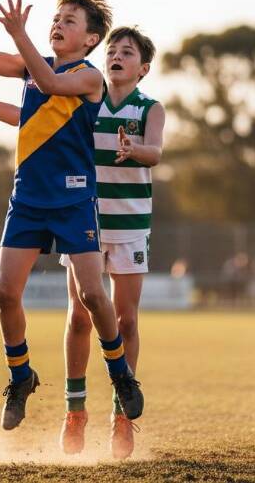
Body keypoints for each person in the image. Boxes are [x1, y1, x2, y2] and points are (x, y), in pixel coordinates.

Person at [0, 0, 144, 433]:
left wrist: (19, 33)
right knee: (5, 292)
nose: (58, 24)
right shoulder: (36, 67)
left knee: (92, 296)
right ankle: (21, 376)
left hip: (73, 202)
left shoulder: (89, 78)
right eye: (57, 17)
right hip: (27, 199)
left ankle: (121, 374)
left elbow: (49, 86)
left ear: (90, 41)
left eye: (70, 20)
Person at [57, 26, 165, 458]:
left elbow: (155, 152)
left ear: (143, 68)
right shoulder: (86, 101)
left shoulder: (149, 108)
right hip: (84, 224)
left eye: (128, 52)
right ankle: (74, 411)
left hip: (131, 227)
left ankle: (122, 417)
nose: (116, 56)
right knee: (79, 318)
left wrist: (133, 149)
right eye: (112, 51)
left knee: (127, 321)